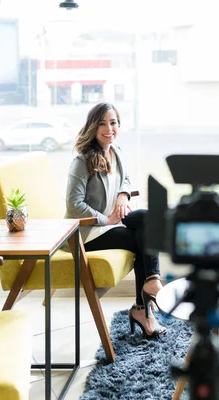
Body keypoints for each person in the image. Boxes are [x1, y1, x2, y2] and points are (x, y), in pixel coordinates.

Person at [65, 102, 166, 339]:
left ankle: (149, 288)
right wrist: (106, 219)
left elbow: (126, 178)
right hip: (88, 233)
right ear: (92, 127)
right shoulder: (81, 161)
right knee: (142, 237)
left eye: (113, 123)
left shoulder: (115, 151)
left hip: (113, 222)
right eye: (102, 123)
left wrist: (123, 194)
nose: (108, 128)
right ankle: (145, 305)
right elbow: (73, 204)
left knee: (150, 219)